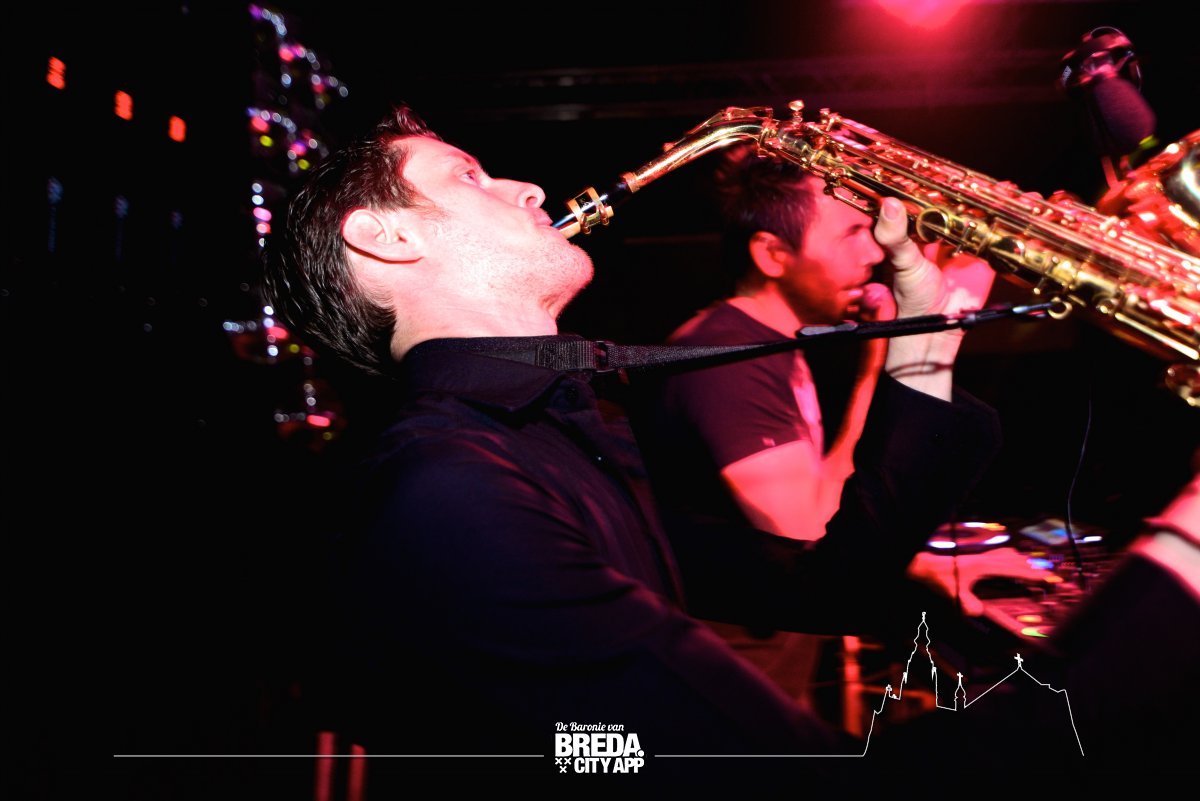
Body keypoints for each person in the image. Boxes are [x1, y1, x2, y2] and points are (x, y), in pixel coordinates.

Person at [262, 106, 1199, 783]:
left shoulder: (552, 436)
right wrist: (1182, 559)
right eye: (467, 174)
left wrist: (925, 327)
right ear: (383, 237)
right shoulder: (447, 494)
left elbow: (833, 583)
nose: (526, 186)